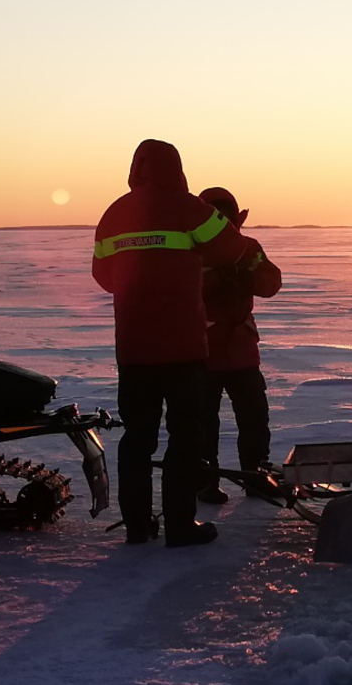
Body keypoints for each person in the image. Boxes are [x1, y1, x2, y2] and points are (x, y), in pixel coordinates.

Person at [92, 139, 229, 547]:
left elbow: (102, 275)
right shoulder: (189, 208)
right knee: (186, 436)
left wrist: (139, 293)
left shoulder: (115, 213)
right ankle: (181, 526)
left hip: (134, 349)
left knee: (137, 436)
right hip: (183, 348)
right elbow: (230, 247)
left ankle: (137, 527)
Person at [193, 187, 284, 504]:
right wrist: (219, 280)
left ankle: (256, 478)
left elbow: (271, 281)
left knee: (255, 420)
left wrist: (247, 279)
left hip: (242, 352)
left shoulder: (248, 249)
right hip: (202, 352)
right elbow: (179, 290)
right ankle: (204, 483)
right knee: (202, 424)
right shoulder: (191, 249)